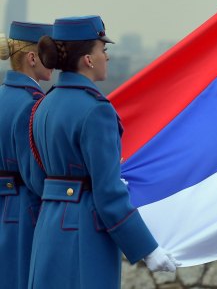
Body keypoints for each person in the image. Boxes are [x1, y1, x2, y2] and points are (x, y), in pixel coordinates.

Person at [27, 15, 179, 289]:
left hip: (47, 230)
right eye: (103, 50)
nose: (107, 57)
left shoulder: (42, 106)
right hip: (84, 235)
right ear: (88, 59)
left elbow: (38, 180)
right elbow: (108, 195)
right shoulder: (96, 110)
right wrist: (148, 249)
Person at [0, 22, 54, 289]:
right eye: (49, 52)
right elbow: (35, 176)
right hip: (21, 211)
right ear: (32, 58)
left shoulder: (3, 96)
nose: (54, 60)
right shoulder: (30, 105)